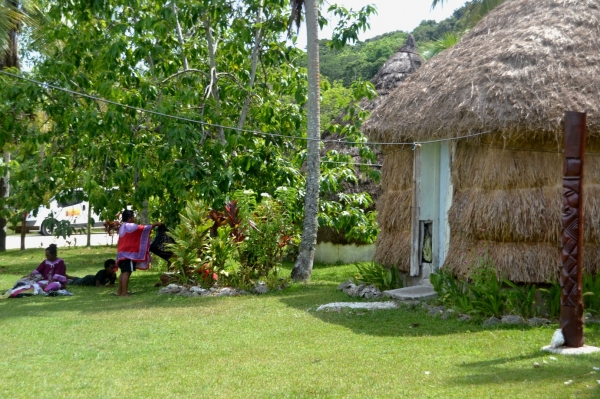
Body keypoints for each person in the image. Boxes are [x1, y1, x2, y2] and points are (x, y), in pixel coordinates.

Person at [115, 210, 162, 297]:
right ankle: (124, 293)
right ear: (129, 218)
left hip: (121, 254)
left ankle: (119, 291)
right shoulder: (130, 226)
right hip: (128, 254)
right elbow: (143, 229)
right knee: (127, 273)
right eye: (133, 217)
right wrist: (155, 224)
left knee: (123, 272)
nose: (134, 219)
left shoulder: (123, 226)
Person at [0, 244, 67, 299]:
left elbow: (56, 276)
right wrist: (28, 276)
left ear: (53, 254)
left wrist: (47, 284)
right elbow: (38, 270)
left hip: (56, 282)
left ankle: (45, 290)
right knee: (33, 286)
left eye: (48, 255)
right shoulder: (46, 261)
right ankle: (15, 292)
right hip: (45, 280)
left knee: (49, 287)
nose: (46, 257)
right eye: (46, 255)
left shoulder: (60, 262)